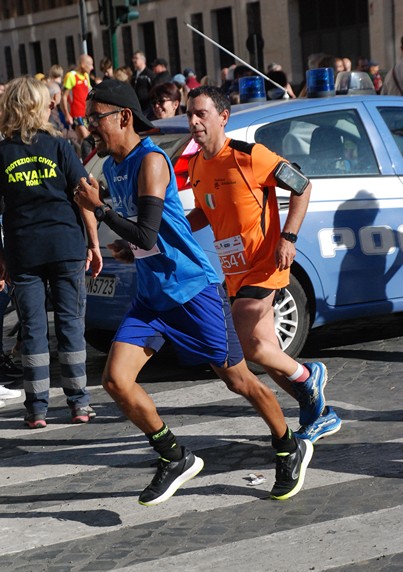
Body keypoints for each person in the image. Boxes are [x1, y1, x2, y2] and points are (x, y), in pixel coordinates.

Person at [73, 78, 316, 506]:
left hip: (193, 292)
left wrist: (102, 209)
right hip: (152, 297)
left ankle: (287, 443)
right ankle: (174, 456)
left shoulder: (152, 162)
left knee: (239, 381)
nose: (90, 127)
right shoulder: (112, 168)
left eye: (96, 118)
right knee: (114, 380)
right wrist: (128, 250)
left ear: (124, 117)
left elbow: (146, 227)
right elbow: (151, 236)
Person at [185, 86, 341, 445]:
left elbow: (302, 187)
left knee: (244, 341)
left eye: (201, 114)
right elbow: (204, 213)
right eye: (190, 114)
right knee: (266, 352)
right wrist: (167, 227)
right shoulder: (195, 164)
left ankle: (309, 373)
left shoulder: (249, 156)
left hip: (266, 262)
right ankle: (319, 410)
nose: (194, 121)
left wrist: (289, 237)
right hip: (235, 270)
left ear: (223, 117)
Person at [0, 76, 102, 428]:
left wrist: (1, 257)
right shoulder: (59, 147)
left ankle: (37, 408)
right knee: (72, 324)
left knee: (32, 329)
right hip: (65, 245)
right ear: (37, 106)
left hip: (23, 250)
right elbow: (84, 196)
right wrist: (93, 241)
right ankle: (79, 403)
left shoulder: (3, 152)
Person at [60, 54, 94, 147]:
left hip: (86, 112)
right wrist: (67, 114)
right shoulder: (71, 76)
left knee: (84, 140)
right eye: (90, 64)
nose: (92, 67)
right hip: (77, 114)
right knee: (86, 138)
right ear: (83, 64)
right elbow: (64, 96)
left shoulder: (86, 76)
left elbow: (88, 92)